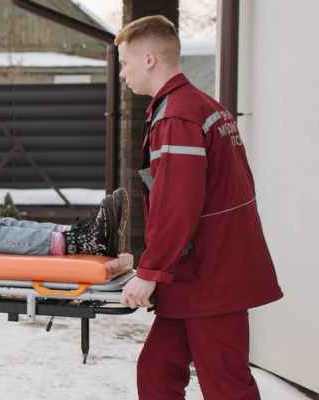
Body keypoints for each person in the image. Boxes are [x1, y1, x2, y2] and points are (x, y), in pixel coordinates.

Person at [114, 16, 282, 400]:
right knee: (158, 372)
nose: (123, 73)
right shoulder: (204, 107)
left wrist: (151, 269)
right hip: (197, 274)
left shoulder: (178, 116)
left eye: (125, 62)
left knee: (226, 385)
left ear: (150, 59)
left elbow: (177, 204)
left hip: (211, 276)